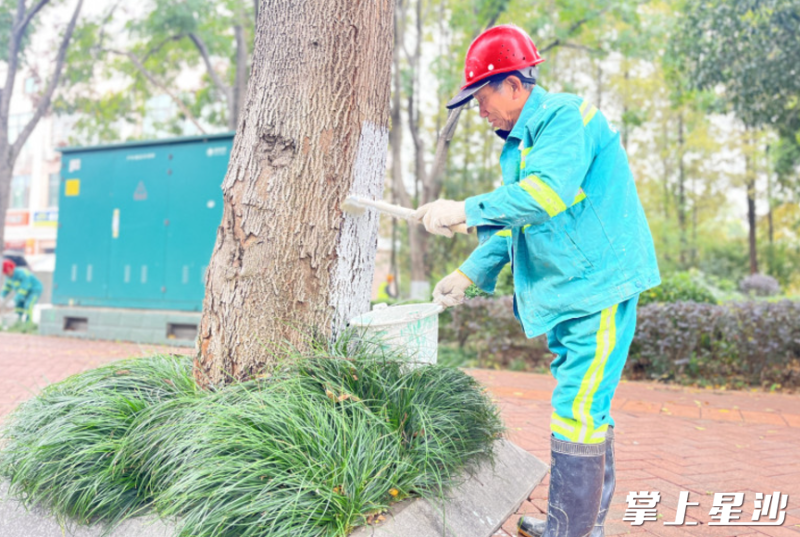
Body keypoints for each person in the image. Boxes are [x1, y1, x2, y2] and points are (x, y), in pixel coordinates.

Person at [411, 24, 660, 537]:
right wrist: (469, 272)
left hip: (599, 287)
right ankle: (579, 524)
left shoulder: (565, 118)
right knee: (586, 406)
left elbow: (544, 197)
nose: (478, 111)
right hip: (573, 289)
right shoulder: (524, 144)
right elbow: (522, 225)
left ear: (514, 85)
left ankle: (571, 530)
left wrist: (465, 207)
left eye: (481, 98)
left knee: (578, 409)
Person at [2, 259, 43, 323]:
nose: (7, 274)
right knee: (19, 306)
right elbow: (6, 288)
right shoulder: (9, 277)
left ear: (11, 269)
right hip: (22, 293)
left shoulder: (22, 273)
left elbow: (23, 289)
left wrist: (14, 300)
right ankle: (19, 323)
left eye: (7, 272)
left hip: (34, 290)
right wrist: (1, 297)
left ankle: (29, 324)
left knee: (28, 305)